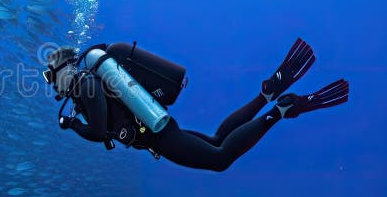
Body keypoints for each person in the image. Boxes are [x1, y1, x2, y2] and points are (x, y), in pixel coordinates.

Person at [45, 38, 349, 172]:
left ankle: (278, 111)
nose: (52, 84)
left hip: (158, 135)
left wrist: (71, 124)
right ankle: (265, 95)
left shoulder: (85, 84)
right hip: (157, 125)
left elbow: (99, 132)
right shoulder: (88, 82)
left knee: (219, 160)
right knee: (218, 140)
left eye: (50, 77)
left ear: (61, 71)